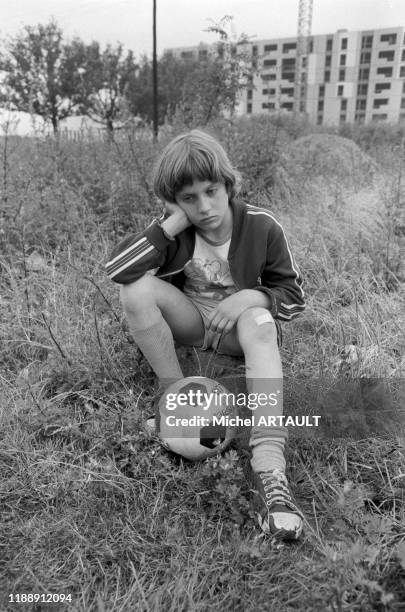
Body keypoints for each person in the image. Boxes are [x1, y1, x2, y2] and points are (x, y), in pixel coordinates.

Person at [105, 129, 306, 540]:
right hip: (194, 322)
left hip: (240, 331)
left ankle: (270, 467)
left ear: (227, 184)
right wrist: (169, 225)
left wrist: (250, 296)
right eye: (189, 198)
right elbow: (116, 271)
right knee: (136, 288)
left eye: (211, 191)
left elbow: (294, 297)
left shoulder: (261, 226)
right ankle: (175, 401)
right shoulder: (174, 229)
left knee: (260, 322)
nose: (205, 206)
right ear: (173, 201)